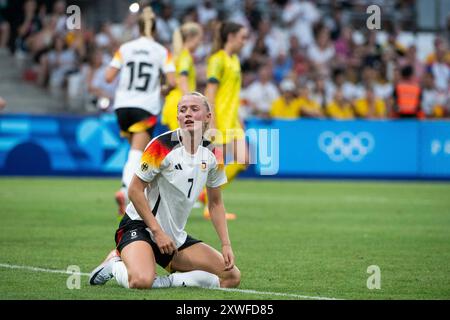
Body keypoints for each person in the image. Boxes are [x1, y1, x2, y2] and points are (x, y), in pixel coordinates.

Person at [89, 92, 241, 290]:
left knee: (231, 277)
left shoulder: (214, 153)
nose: (187, 114)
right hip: (140, 227)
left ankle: (165, 282)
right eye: (182, 110)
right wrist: (157, 232)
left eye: (194, 109)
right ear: (177, 117)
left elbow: (215, 203)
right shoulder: (161, 145)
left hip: (173, 237)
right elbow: (134, 190)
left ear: (207, 117)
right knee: (141, 281)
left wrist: (226, 244)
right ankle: (115, 264)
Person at [105, 7, 176, 216]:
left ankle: (138, 195)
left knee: (137, 153)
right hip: (145, 106)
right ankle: (126, 190)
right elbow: (171, 81)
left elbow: (109, 76)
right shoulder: (162, 52)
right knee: (137, 153)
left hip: (122, 106)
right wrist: (162, 88)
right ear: (155, 29)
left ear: (138, 27)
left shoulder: (125, 48)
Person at [202, 21, 249, 220]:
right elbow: (210, 92)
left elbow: (233, 94)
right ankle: (208, 206)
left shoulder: (235, 60)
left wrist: (239, 118)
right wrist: (211, 122)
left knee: (243, 160)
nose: (244, 42)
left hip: (232, 120)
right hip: (219, 119)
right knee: (217, 166)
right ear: (230, 37)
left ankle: (204, 195)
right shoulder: (217, 60)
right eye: (242, 37)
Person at [161, 22, 203, 131]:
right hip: (181, 106)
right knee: (185, 145)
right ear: (191, 38)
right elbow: (182, 79)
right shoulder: (185, 56)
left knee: (180, 145)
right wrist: (192, 104)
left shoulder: (178, 56)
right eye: (199, 39)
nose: (200, 43)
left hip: (174, 104)